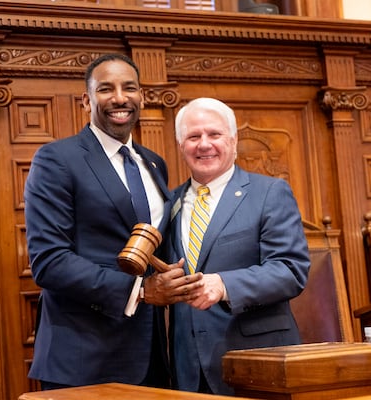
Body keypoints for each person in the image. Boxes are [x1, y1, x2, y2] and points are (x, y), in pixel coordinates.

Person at [24, 53, 200, 390]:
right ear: (86, 101)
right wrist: (142, 291)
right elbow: (49, 262)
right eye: (106, 89)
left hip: (149, 356)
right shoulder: (57, 160)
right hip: (84, 357)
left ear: (142, 97)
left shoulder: (154, 163)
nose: (120, 98)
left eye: (129, 88)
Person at [166, 97, 311, 395]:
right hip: (188, 369)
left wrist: (224, 284)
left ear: (233, 140)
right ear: (181, 146)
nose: (204, 144)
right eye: (193, 137)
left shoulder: (269, 193)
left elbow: (290, 270)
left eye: (214, 134)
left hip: (256, 361)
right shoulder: (168, 203)